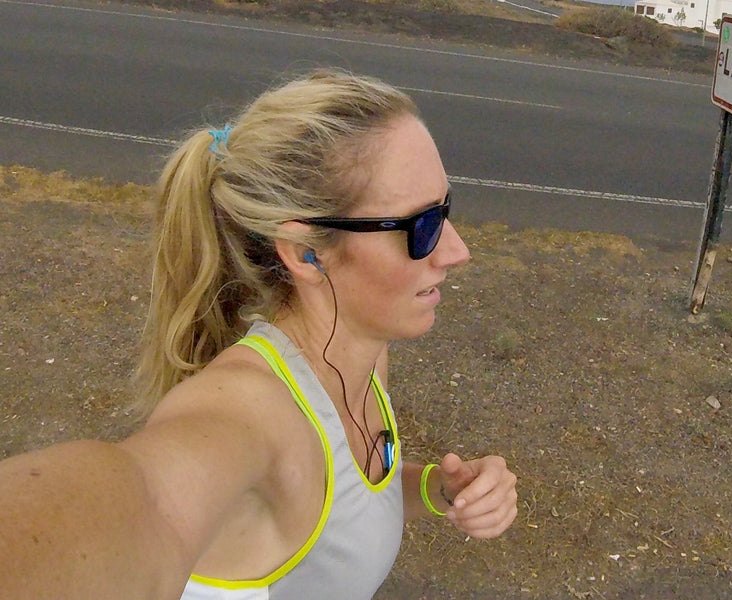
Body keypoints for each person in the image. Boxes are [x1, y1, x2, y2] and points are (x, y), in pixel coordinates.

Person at [0, 69, 518, 599]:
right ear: (305, 253)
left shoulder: (360, 354)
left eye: (445, 209)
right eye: (421, 226)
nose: (457, 251)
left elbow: (347, 492)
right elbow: (142, 502)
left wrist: (437, 489)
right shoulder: (250, 414)